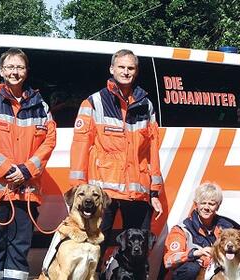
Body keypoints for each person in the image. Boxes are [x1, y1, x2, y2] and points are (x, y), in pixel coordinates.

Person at [68, 49, 163, 269]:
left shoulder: (146, 105)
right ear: (112, 69)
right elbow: (80, 147)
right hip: (104, 193)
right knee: (94, 248)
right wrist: (77, 191)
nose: (126, 72)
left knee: (138, 252)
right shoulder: (93, 102)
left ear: (136, 71)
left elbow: (153, 150)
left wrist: (154, 191)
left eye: (131, 68)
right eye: (121, 67)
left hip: (136, 192)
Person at [0, 48, 57, 280]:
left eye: (19, 67)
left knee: (19, 255)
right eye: (10, 67)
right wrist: (10, 171)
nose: (14, 72)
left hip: (25, 195)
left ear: (26, 71)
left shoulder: (42, 107)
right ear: (1, 70)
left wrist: (26, 171)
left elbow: (49, 143)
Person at [163, 183, 240, 279]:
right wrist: (195, 253)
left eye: (211, 204)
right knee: (191, 269)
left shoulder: (226, 227)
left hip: (217, 272)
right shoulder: (181, 229)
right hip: (192, 274)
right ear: (196, 205)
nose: (206, 207)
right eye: (203, 203)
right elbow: (169, 260)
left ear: (218, 207)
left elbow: (238, 247)